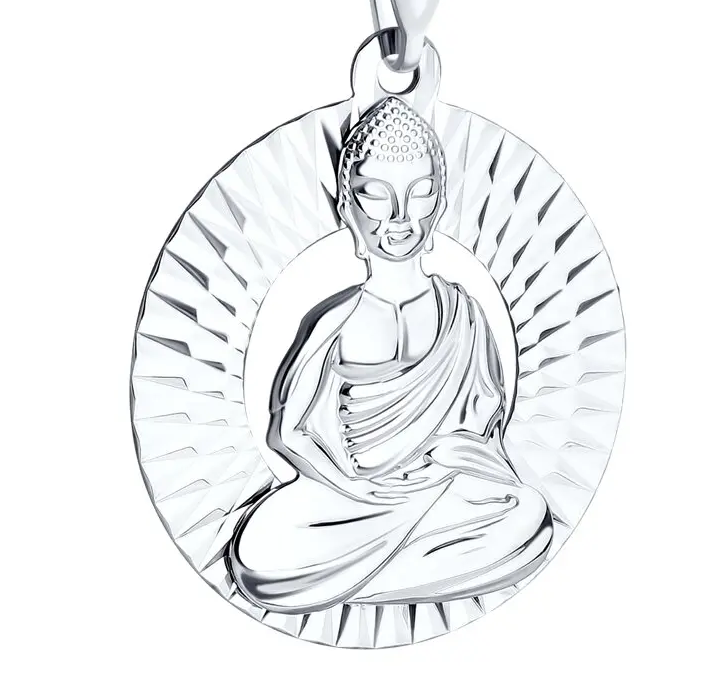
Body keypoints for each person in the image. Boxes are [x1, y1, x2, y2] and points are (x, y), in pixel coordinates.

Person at [227, 97, 553, 613]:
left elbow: (485, 429)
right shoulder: (336, 321)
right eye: (376, 196)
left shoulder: (464, 313)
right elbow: (287, 433)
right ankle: (410, 575)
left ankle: (344, 587)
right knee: (260, 552)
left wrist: (448, 464)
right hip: (346, 501)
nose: (400, 218)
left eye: (420, 193)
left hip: (443, 492)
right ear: (346, 208)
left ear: (440, 203)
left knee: (527, 514)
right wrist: (353, 486)